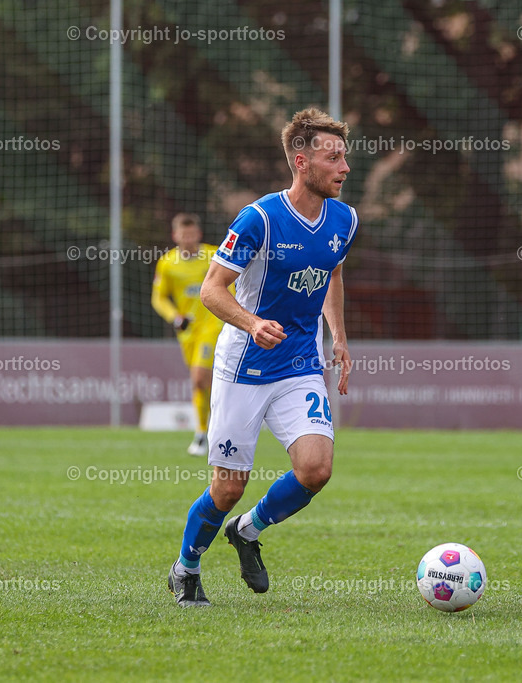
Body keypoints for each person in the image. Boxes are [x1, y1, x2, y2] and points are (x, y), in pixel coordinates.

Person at [167, 108, 358, 606]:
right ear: (301, 161)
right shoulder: (259, 219)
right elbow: (212, 290)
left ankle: (247, 531)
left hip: (299, 365)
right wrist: (252, 323)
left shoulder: (345, 218)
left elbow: (333, 272)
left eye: (345, 156)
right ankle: (186, 567)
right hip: (244, 369)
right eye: (333, 157)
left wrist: (337, 335)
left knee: (316, 469)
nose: (344, 167)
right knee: (228, 486)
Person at [151, 213, 224, 457]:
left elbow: (232, 283)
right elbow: (158, 297)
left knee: (199, 377)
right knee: (201, 383)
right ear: (175, 236)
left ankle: (205, 434)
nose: (188, 239)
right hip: (188, 331)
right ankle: (206, 429)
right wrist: (174, 317)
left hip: (213, 326)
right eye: (184, 235)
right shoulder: (167, 263)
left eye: (192, 234)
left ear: (199, 235)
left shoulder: (214, 255)